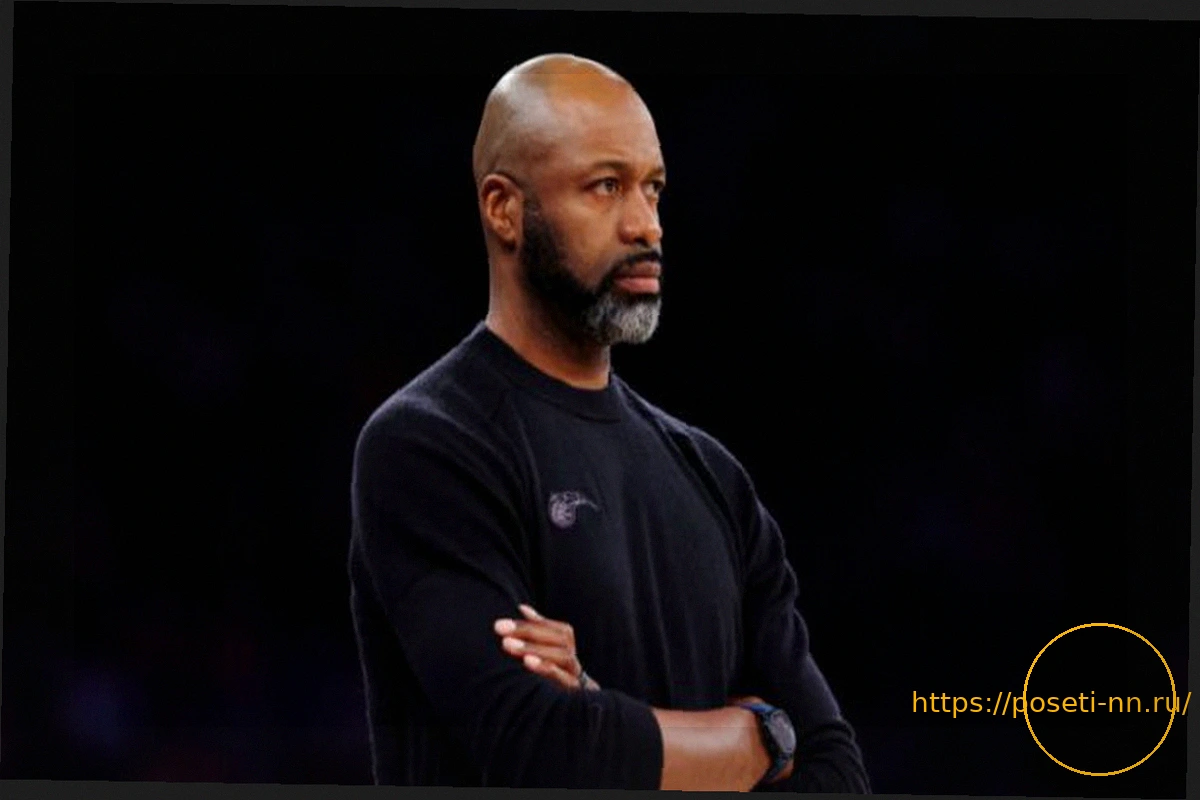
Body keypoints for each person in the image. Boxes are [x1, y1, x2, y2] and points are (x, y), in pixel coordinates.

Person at [348, 53, 870, 792]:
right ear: (503, 209)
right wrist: (762, 738)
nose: (646, 225)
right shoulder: (429, 445)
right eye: (606, 186)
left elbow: (839, 774)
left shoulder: (713, 477)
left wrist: (599, 706)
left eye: (653, 188)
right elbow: (541, 748)